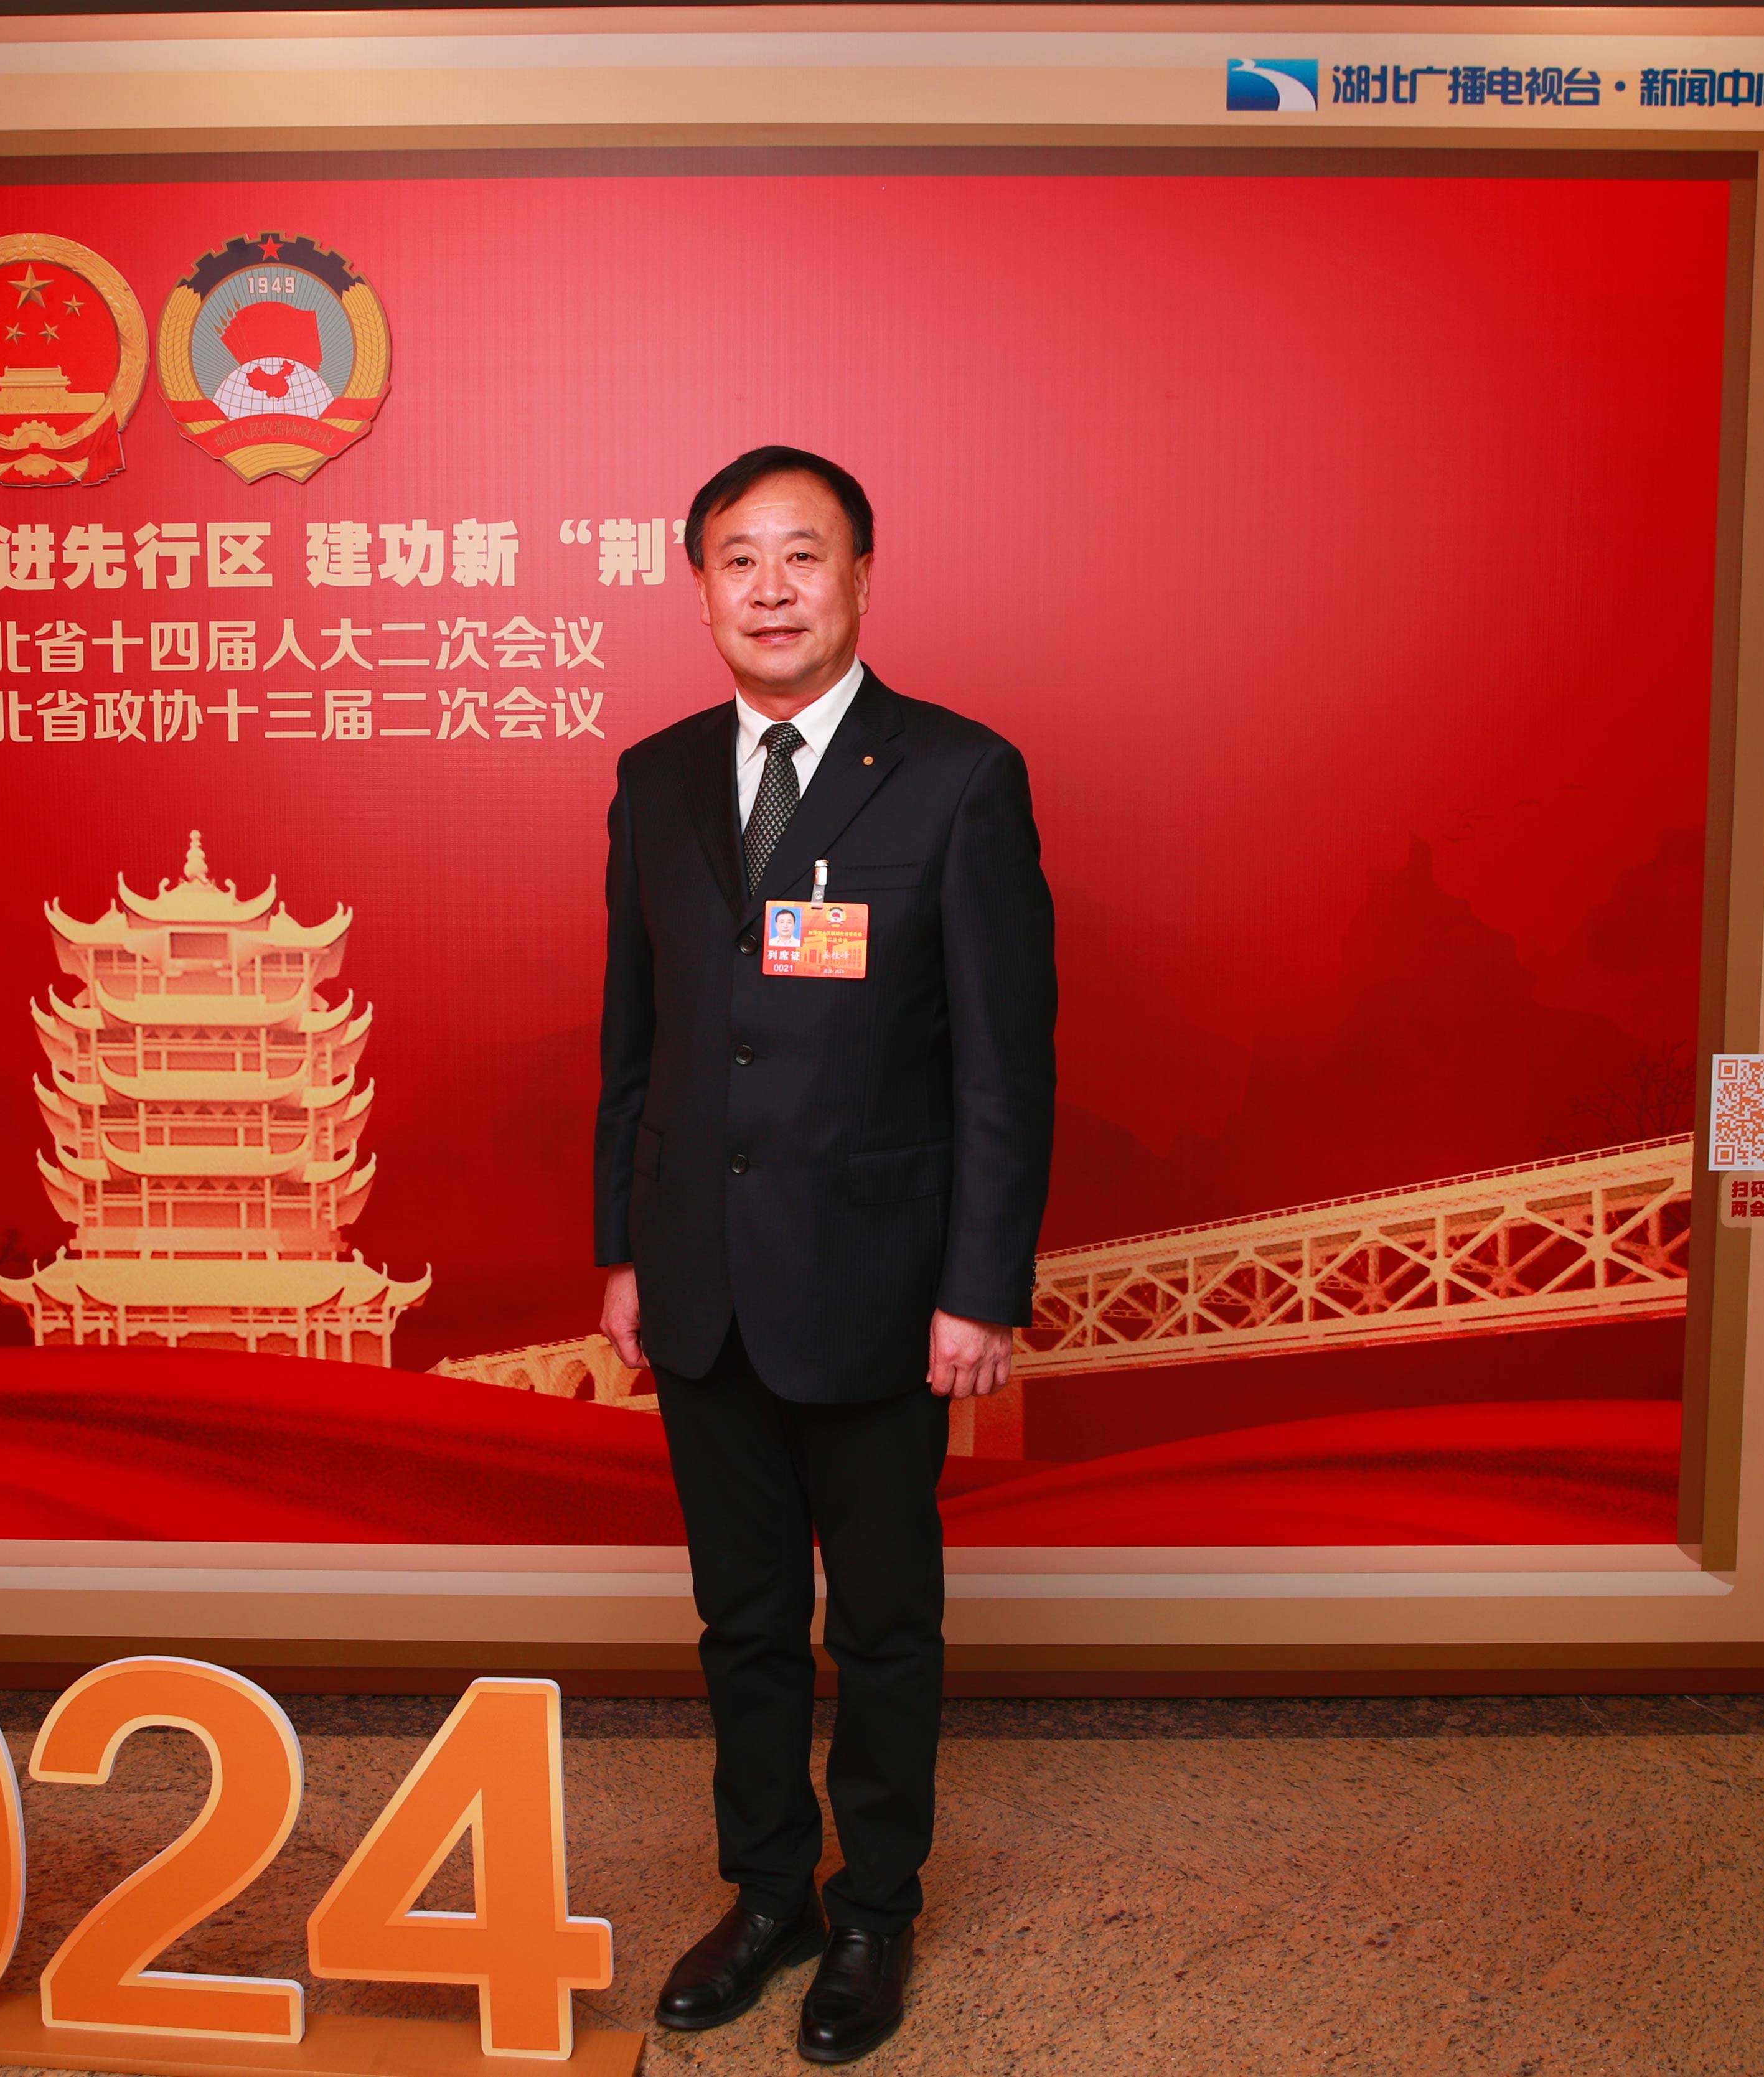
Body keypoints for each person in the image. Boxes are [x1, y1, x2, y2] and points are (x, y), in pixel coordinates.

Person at [594, 446, 1057, 2063]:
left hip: (875, 1282)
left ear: (862, 576)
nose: (772, 587)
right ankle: (768, 1891)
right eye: (739, 558)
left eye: (804, 554)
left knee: (879, 1622)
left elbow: (1004, 1063)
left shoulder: (958, 775)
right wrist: (624, 1247)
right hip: (699, 1279)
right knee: (739, 1618)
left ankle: (875, 1907)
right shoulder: (654, 777)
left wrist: (980, 1287)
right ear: (699, 588)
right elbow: (636, 1040)